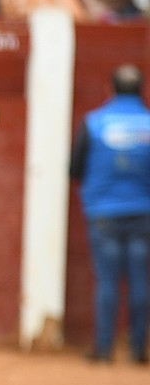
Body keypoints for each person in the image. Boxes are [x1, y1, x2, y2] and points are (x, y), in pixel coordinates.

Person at [69, 65, 150, 364]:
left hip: (103, 212)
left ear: (111, 88)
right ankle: (138, 350)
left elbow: (74, 169)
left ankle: (103, 349)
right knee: (140, 279)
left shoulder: (94, 123)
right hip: (143, 212)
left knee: (107, 280)